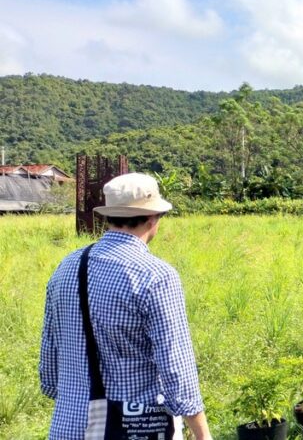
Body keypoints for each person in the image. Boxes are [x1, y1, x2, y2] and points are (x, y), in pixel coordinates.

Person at [39, 173, 211, 439]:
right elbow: (176, 368)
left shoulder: (67, 266)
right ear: (153, 219)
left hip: (70, 425)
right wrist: (202, 434)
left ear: (108, 217)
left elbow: (50, 356)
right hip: (135, 427)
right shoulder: (155, 276)